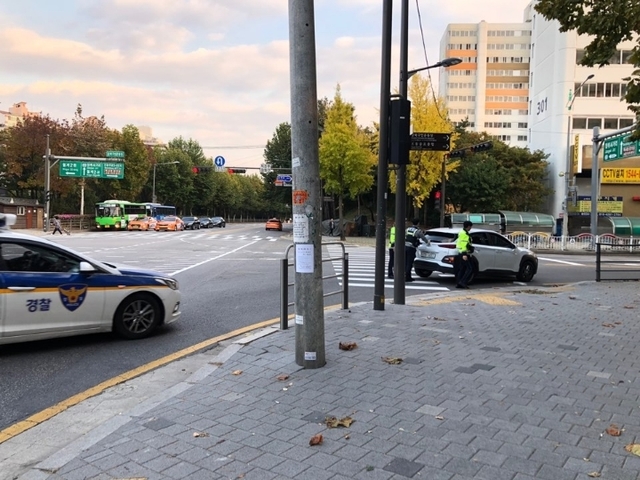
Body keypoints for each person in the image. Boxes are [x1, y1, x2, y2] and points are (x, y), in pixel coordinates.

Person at [455, 220, 474, 289]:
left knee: (462, 269)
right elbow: (464, 244)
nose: (470, 228)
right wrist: (464, 254)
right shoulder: (464, 234)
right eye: (470, 227)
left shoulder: (462, 232)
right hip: (464, 253)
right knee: (470, 269)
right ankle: (462, 282)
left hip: (461, 252)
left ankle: (459, 283)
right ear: (468, 226)